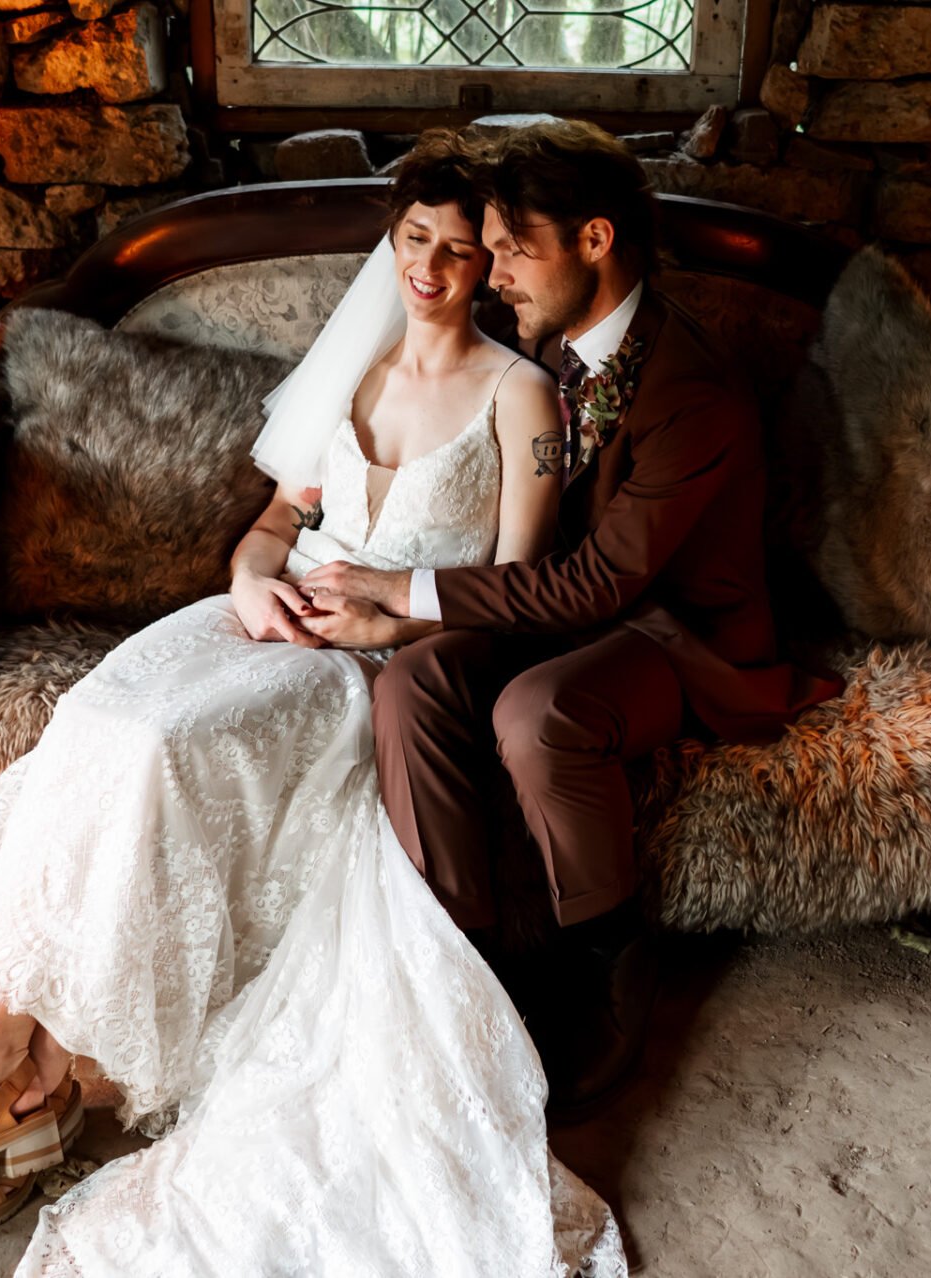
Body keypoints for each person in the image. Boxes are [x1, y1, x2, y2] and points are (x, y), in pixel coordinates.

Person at [0, 132, 627, 1275]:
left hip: (367, 661)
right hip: (263, 618)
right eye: (415, 241)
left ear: (490, 265)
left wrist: (387, 626)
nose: (433, 270)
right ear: (391, 243)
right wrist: (254, 583)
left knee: (161, 743)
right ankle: (16, 1059)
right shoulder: (350, 371)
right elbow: (270, 528)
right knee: (96, 725)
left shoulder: (524, 401)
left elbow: (514, 592)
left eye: (462, 252)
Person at [301, 120, 840, 1114]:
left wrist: (400, 591)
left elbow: (599, 585)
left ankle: (609, 963)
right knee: (419, 680)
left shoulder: (693, 393)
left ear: (595, 240)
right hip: (562, 609)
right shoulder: (540, 335)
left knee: (535, 715)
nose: (490, 273)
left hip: (675, 635)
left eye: (512, 250)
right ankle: (458, 960)